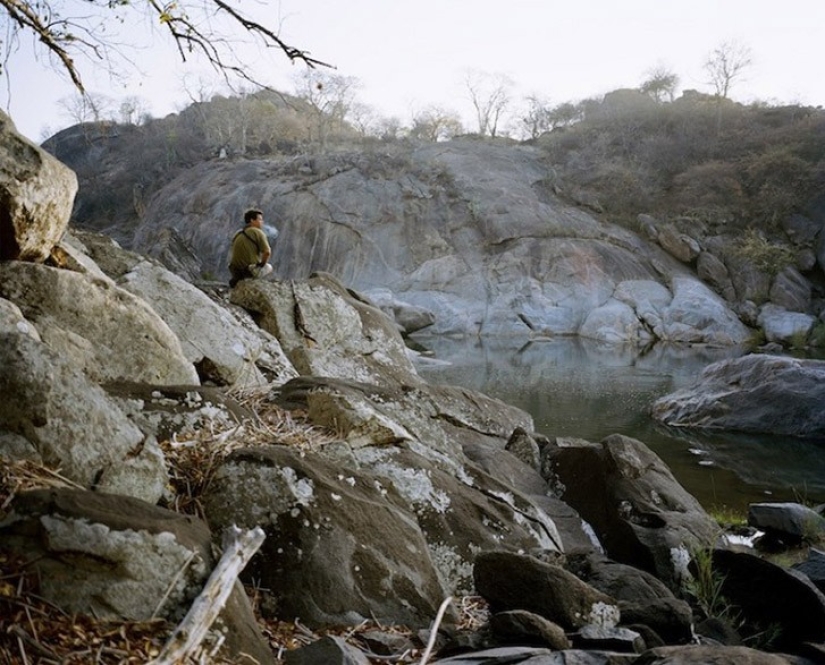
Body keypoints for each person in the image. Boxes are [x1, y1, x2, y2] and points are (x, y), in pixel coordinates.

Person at [228, 208, 274, 287]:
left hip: (234, 270)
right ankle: (256, 284)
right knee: (269, 267)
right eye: (260, 219)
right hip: (248, 270)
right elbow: (267, 252)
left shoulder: (238, 233)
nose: (262, 222)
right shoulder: (258, 232)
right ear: (252, 220)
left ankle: (238, 280)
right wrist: (261, 264)